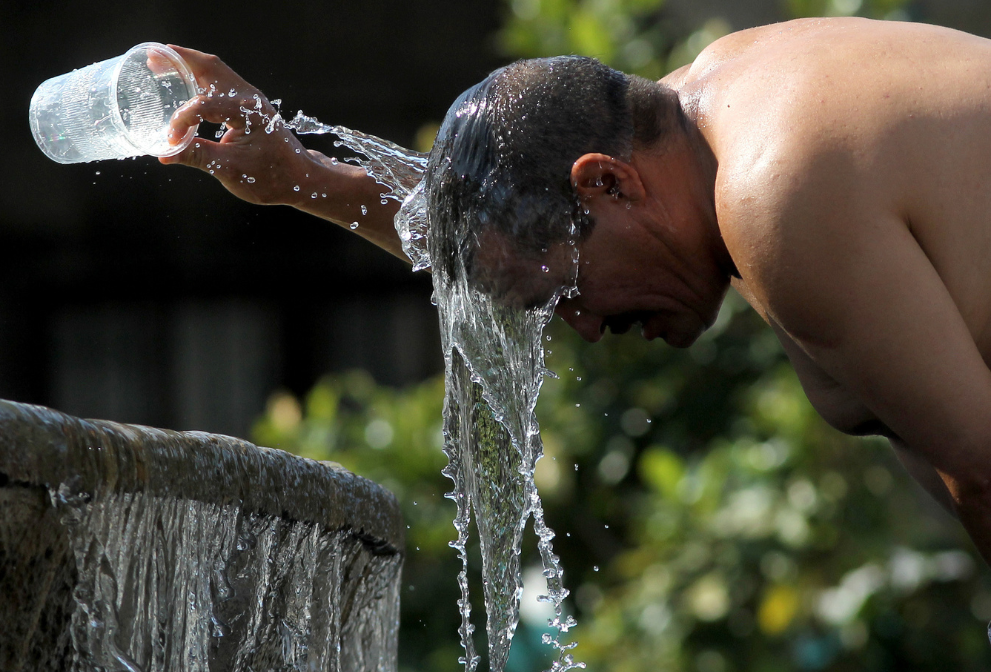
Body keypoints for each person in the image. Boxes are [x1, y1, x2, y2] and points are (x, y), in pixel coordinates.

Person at [158, 17, 991, 564]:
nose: (585, 328)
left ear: (609, 186)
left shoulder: (775, 195)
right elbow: (504, 226)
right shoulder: (702, 112)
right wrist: (300, 176)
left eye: (566, 296)